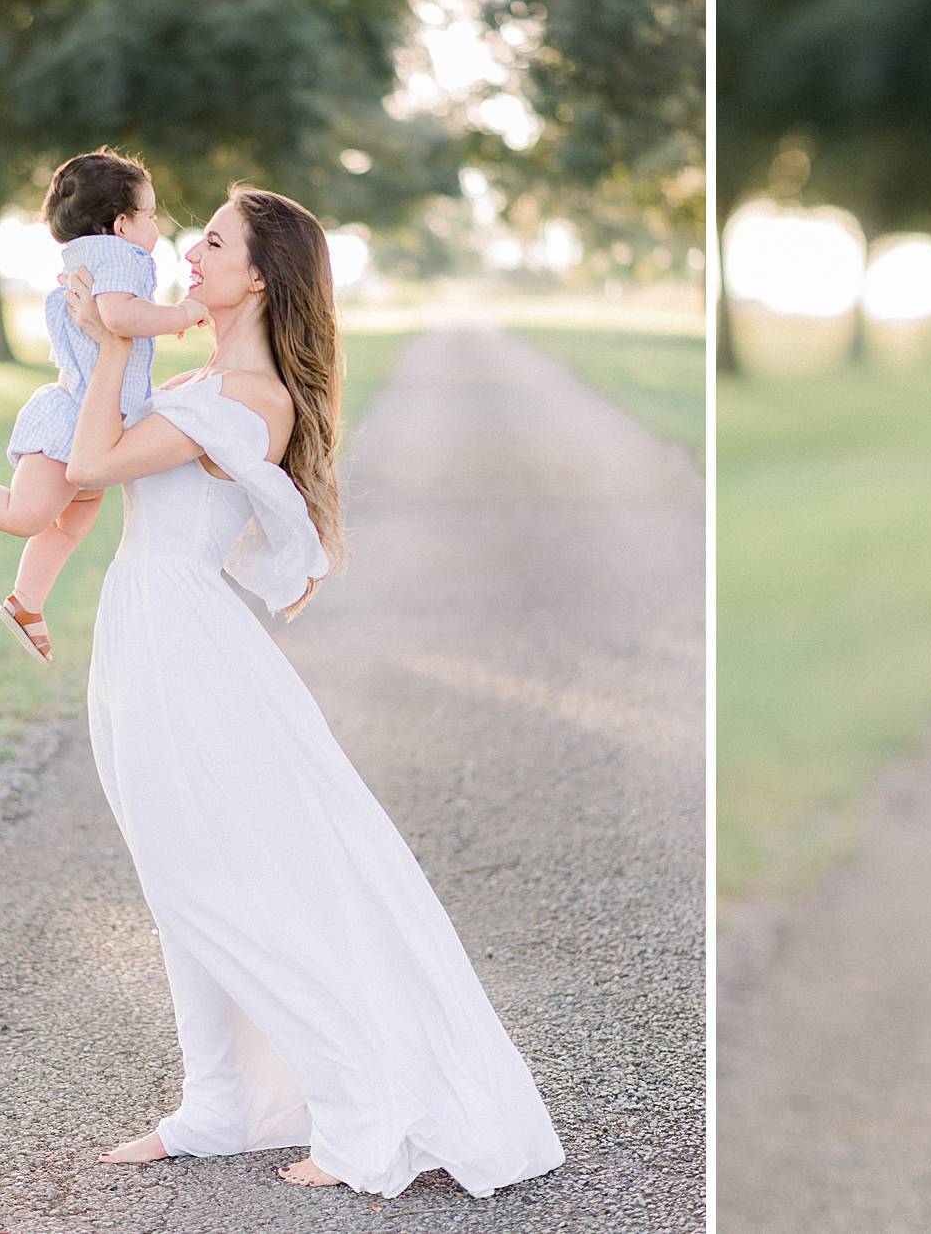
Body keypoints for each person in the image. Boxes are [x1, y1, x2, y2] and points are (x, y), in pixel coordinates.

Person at [59, 183, 564, 1196]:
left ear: (258, 275)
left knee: (219, 883)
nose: (187, 258)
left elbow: (90, 464)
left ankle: (356, 1111)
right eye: (191, 239)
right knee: (177, 884)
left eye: (210, 244)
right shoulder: (206, 379)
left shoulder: (246, 400)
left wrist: (108, 339)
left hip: (183, 649)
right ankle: (216, 1107)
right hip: (146, 635)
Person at [0, 149, 208, 664]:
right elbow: (119, 318)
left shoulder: (102, 255)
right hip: (74, 421)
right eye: (151, 215)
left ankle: (26, 602)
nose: (158, 226)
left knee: (73, 521)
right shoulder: (116, 257)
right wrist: (184, 312)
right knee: (29, 515)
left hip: (95, 416)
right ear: (121, 223)